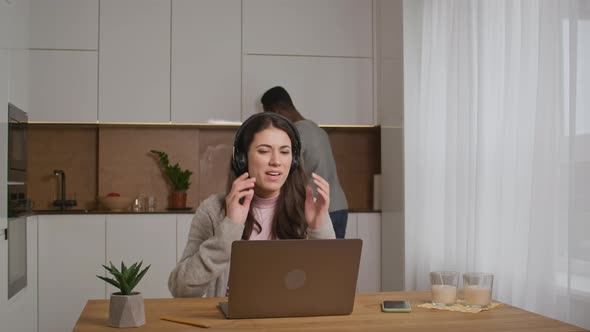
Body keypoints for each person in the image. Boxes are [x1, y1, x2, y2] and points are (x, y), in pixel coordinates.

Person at [169, 112, 335, 298]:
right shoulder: (213, 210)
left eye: (285, 152)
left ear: (294, 160)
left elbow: (330, 288)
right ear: (242, 158)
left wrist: (318, 230)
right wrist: (230, 227)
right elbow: (181, 289)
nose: (276, 162)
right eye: (264, 151)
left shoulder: (308, 208)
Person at [261, 86, 349, 239]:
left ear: (277, 111)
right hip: (339, 205)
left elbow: (289, 173)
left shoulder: (295, 134)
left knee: (314, 261)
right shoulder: (317, 129)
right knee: (335, 260)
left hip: (317, 210)